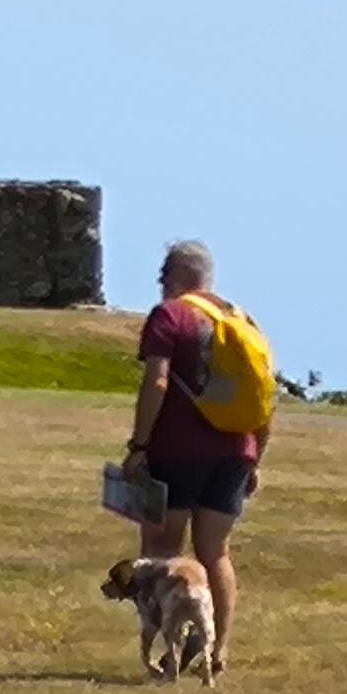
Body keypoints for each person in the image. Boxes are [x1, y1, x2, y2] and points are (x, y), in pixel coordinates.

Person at [125, 240, 259, 669]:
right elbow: (262, 396)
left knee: (162, 547)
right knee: (215, 551)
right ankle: (217, 649)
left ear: (176, 274)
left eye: (164, 273)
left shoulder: (171, 315)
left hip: (178, 449)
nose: (160, 281)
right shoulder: (241, 319)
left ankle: (171, 648)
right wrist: (255, 456)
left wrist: (139, 446)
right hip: (236, 448)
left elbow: (158, 383)